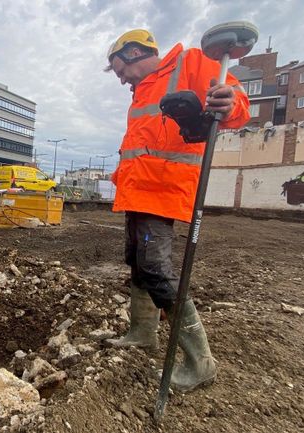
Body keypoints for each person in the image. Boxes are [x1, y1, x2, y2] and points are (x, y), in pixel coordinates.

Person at [104, 29, 250, 392]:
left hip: (162, 190)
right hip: (138, 191)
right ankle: (143, 332)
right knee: (136, 260)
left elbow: (236, 98)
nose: (119, 78)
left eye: (118, 69)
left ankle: (200, 361)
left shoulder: (188, 63)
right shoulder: (142, 92)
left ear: (134, 52)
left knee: (155, 267)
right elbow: (139, 147)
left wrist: (229, 102)